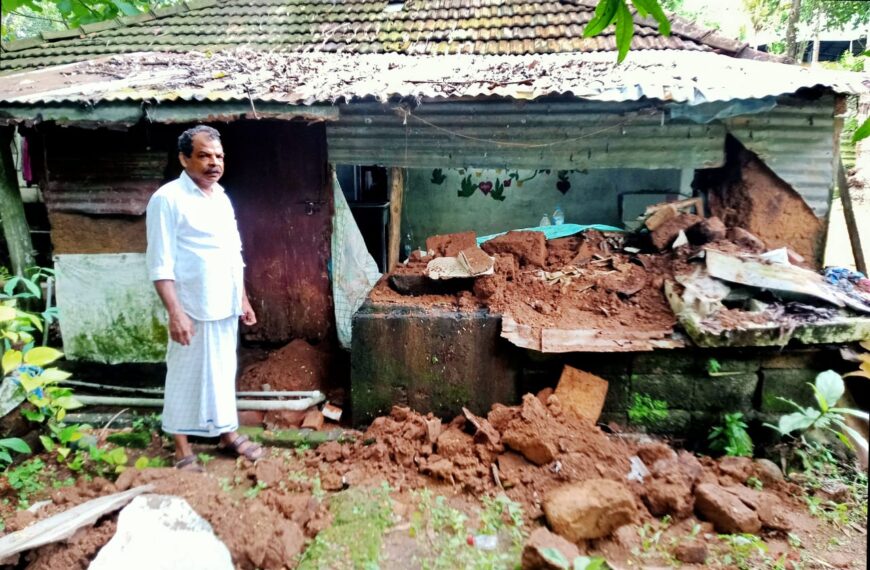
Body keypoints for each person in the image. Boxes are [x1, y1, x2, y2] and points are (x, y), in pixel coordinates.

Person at [146, 125, 264, 471]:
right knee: (185, 374)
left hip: (224, 305)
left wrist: (242, 298)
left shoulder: (222, 198)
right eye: (204, 155)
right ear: (184, 159)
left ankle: (227, 433)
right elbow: (160, 263)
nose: (214, 163)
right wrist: (175, 313)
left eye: (218, 156)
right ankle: (182, 448)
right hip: (191, 306)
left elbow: (233, 253)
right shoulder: (167, 200)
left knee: (223, 371)